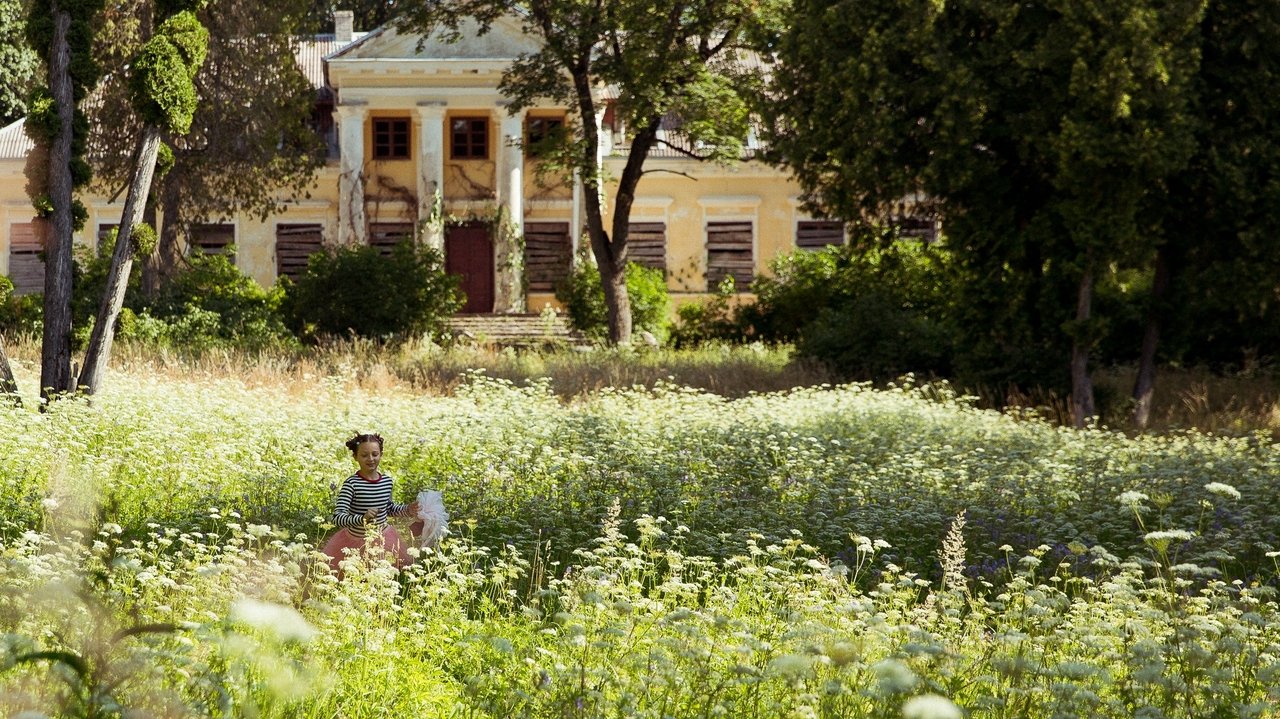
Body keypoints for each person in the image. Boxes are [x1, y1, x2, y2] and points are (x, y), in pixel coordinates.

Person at [321, 432, 420, 575]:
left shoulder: (386, 482)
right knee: (355, 577)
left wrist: (407, 509)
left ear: (381, 454)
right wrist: (362, 519)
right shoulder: (352, 484)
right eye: (364, 455)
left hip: (383, 539)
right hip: (355, 541)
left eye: (375, 454)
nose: (371, 459)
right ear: (355, 457)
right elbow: (338, 517)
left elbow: (389, 508)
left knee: (382, 576)